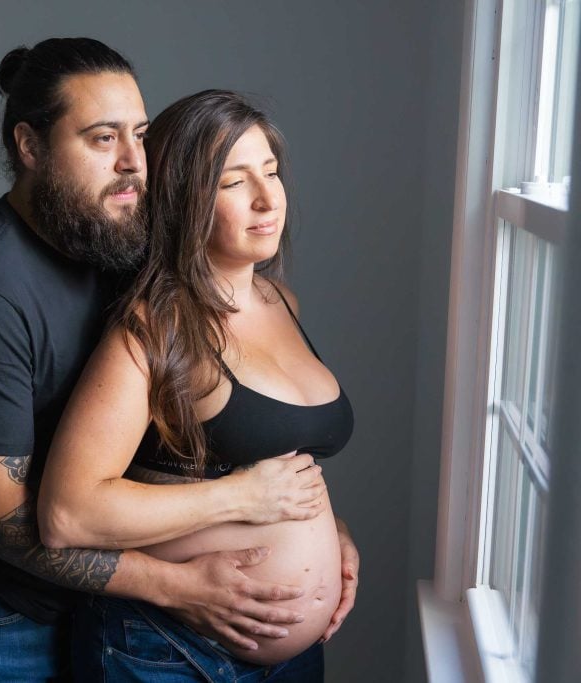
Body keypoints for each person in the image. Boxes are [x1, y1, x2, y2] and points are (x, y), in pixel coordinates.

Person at [0, 40, 352, 680]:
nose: (135, 162)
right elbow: (0, 521)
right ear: (29, 147)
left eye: (139, 134)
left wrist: (316, 527)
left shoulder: (119, 239)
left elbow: (205, 425)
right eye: (104, 139)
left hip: (104, 584)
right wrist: (177, 585)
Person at [38, 90, 359, 681]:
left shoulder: (281, 301)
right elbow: (67, 514)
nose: (268, 199)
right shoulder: (151, 330)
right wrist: (244, 500)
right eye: (234, 182)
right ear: (185, 202)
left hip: (289, 657)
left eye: (271, 171)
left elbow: (273, 454)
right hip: (169, 650)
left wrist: (327, 529)